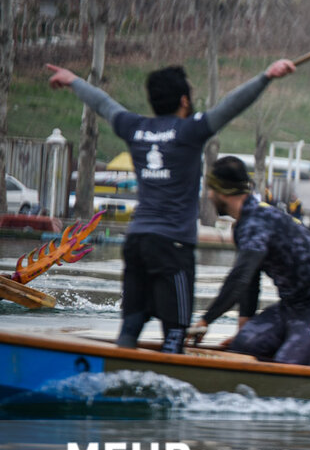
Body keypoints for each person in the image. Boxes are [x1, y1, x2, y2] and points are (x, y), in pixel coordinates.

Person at [45, 58, 297, 352]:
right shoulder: (190, 131)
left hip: (137, 243)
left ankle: (115, 368)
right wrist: (266, 76)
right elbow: (231, 106)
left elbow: (104, 104)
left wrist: (74, 80)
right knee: (175, 333)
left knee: (130, 326)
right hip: (172, 248)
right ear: (184, 100)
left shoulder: (134, 128)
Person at [188, 157, 310, 365]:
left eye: (210, 189)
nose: (208, 195)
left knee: (286, 365)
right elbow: (250, 282)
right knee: (241, 348)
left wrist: (205, 320)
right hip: (291, 308)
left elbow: (240, 278)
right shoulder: (243, 226)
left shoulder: (257, 222)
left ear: (222, 192)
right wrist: (243, 332)